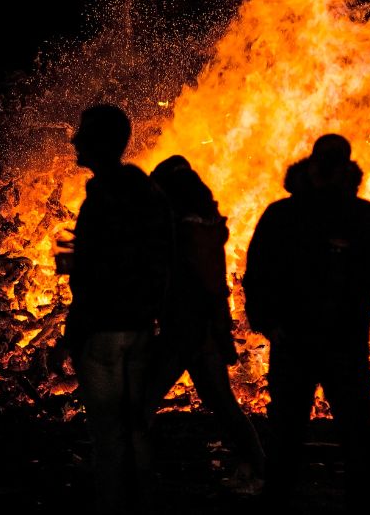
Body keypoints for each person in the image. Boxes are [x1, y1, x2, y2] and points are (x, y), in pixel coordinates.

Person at [243, 133, 370, 511]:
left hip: (338, 341)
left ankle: (352, 501)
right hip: (302, 340)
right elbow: (258, 274)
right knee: (293, 431)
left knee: (348, 432)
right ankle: (281, 499)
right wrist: (268, 322)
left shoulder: (357, 217)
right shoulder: (289, 216)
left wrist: (355, 276)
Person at [61, 104, 172, 514]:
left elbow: (94, 271)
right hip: (140, 327)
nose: (75, 139)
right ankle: (144, 503)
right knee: (136, 427)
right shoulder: (148, 195)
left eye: (83, 133)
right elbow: (161, 259)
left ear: (101, 142)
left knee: (107, 431)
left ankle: (111, 506)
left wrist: (78, 327)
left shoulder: (106, 198)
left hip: (104, 330)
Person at [142, 154, 266, 492]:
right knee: (222, 403)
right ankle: (259, 467)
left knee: (142, 401)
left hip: (186, 330)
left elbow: (206, 286)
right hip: (200, 332)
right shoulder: (202, 227)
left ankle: (131, 475)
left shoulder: (189, 231)